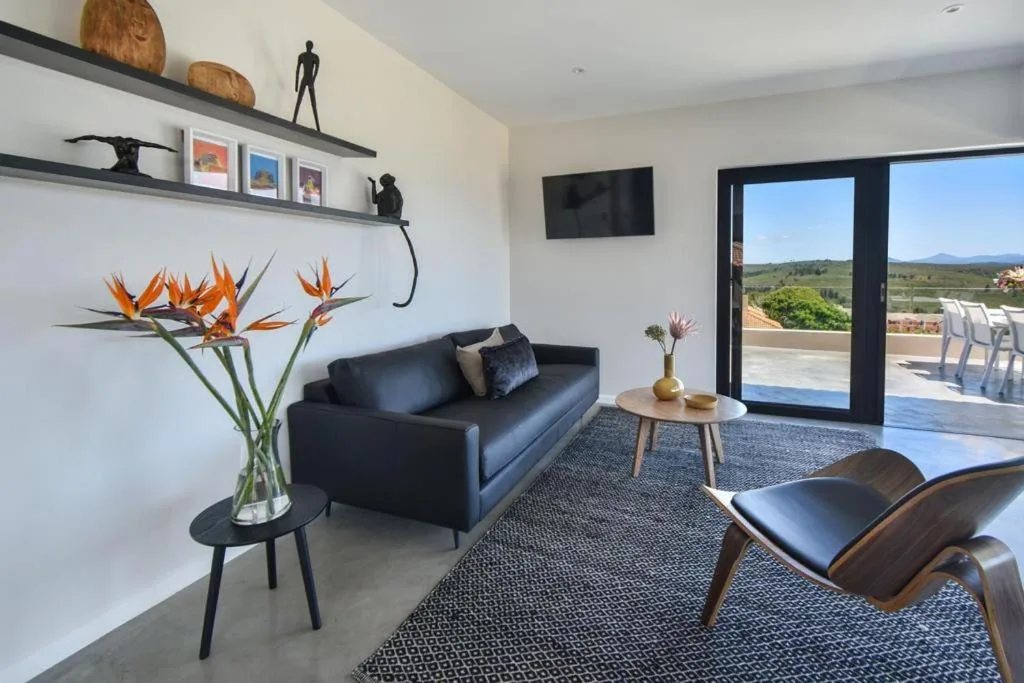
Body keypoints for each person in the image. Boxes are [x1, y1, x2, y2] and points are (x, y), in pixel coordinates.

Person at [292, 41, 321, 131]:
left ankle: (318, 128)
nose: (309, 47)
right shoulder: (302, 56)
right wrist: (296, 85)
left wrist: (313, 81)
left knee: (314, 104)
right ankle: (293, 121)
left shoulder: (315, 57)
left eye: (310, 45)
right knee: (299, 101)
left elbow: (316, 71)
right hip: (305, 79)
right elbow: (297, 70)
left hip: (309, 80)